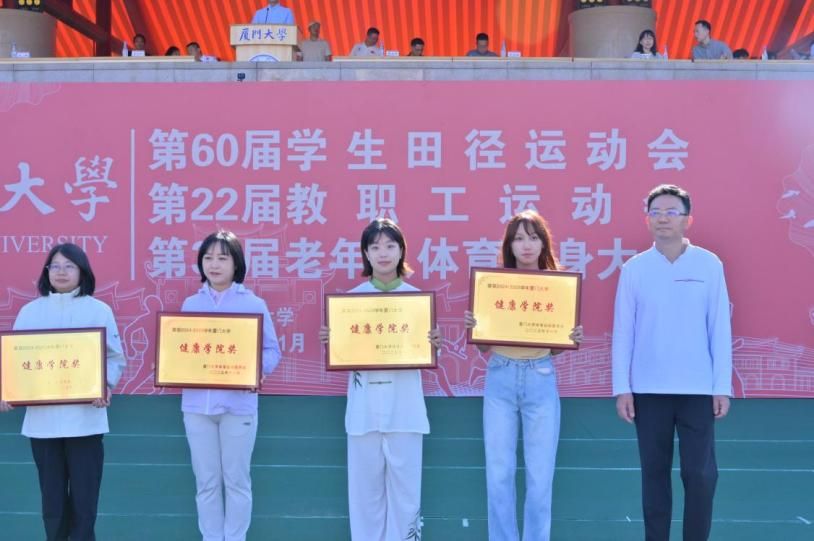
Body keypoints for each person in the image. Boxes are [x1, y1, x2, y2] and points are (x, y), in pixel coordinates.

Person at [612, 184, 732, 541]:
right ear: (647, 220)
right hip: (648, 390)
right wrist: (622, 388)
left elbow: (719, 328)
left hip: (697, 389)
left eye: (671, 212)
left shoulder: (709, 265)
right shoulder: (635, 269)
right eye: (656, 212)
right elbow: (623, 332)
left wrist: (721, 387)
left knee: (700, 475)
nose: (663, 218)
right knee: (654, 474)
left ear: (687, 220)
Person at [318, 218, 442, 541]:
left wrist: (433, 343)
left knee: (406, 495)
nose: (383, 253)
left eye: (390, 245)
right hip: (364, 413)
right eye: (375, 247)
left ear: (402, 251)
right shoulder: (350, 303)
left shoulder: (417, 301)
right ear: (365, 254)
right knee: (365, 498)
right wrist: (334, 341)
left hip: (405, 411)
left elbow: (424, 350)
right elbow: (343, 352)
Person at [463, 210, 583, 541]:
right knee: (498, 474)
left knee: (540, 477)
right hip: (500, 375)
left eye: (533, 237)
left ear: (544, 243)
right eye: (518, 238)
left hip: (540, 377)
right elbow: (483, 347)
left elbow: (555, 348)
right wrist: (476, 328)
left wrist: (568, 338)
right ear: (509, 246)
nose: (526, 245)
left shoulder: (557, 287)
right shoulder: (493, 286)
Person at [0, 243, 126, 541]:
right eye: (54, 266)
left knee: (85, 501)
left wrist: (105, 386)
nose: (61, 272)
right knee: (52, 503)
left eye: (69, 266)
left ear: (83, 272)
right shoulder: (30, 312)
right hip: (43, 424)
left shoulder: (99, 310)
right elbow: (15, 360)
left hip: (85, 421)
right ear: (46, 272)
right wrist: (8, 390)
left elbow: (114, 358)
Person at [181, 231, 281, 541]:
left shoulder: (253, 303)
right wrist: (170, 364)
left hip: (238, 406)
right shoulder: (190, 304)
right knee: (206, 482)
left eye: (222, 258)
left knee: (237, 480)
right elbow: (179, 349)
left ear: (236, 263)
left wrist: (257, 372)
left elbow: (272, 350)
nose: (214, 264)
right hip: (197, 407)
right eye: (208, 258)